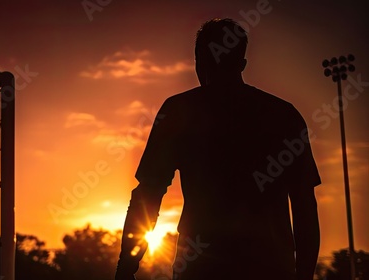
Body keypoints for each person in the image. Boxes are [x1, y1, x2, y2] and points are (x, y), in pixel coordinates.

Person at [115, 18, 321, 280]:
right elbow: (305, 208)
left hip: (201, 268)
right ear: (242, 64)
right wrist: (303, 275)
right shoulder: (285, 116)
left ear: (199, 62)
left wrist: (126, 267)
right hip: (270, 266)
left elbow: (148, 195)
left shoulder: (179, 111)